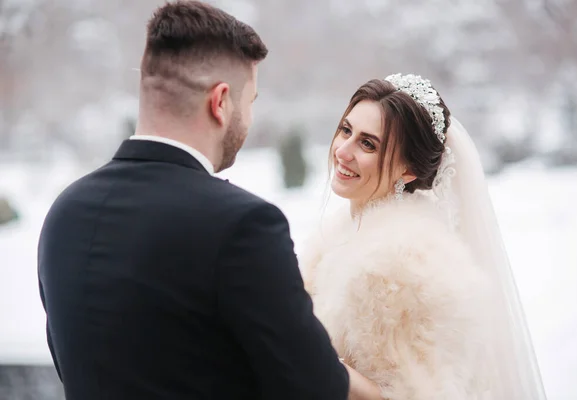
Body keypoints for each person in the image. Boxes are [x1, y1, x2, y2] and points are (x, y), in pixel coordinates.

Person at [37, 2, 349, 399]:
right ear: (220, 102)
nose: (249, 120)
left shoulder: (65, 212)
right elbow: (317, 388)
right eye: (250, 101)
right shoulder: (243, 225)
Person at [300, 73, 547, 399]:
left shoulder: (403, 265)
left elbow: (410, 394)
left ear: (409, 169)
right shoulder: (337, 233)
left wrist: (307, 356)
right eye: (346, 130)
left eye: (368, 143)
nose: (343, 151)